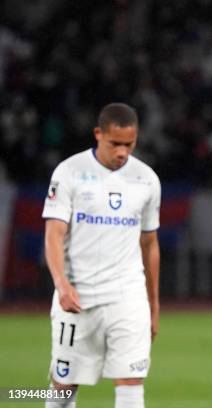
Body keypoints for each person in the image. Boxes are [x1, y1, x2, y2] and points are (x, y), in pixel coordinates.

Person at [42, 103, 161, 408]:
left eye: (129, 145)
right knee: (64, 383)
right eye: (115, 144)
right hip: (79, 296)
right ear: (98, 134)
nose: (122, 152)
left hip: (127, 296)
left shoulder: (147, 179)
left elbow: (149, 244)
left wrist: (153, 303)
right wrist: (62, 284)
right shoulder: (69, 172)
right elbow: (54, 233)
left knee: (132, 380)